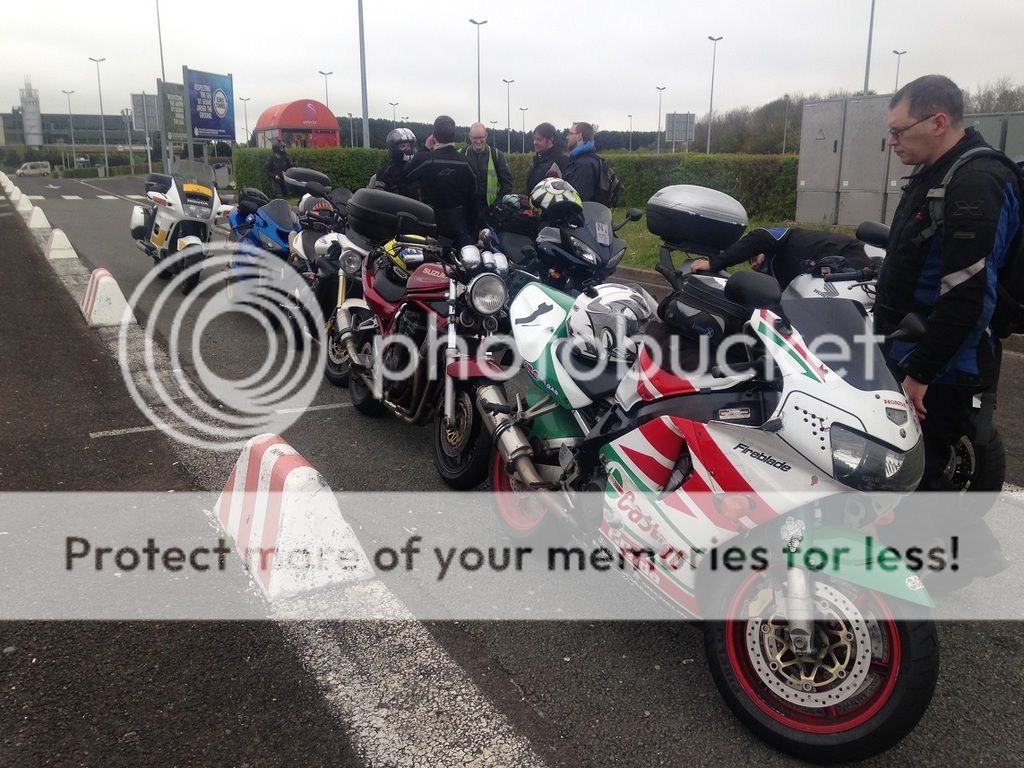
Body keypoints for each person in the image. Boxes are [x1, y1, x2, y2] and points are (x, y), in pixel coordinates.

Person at [875, 74, 1021, 574]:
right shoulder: (937, 172)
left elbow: (969, 294)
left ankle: (924, 583)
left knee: (923, 470)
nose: (892, 141)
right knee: (906, 459)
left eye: (898, 131)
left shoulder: (976, 181)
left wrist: (922, 372)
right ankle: (953, 555)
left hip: (944, 360)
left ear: (938, 122)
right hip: (911, 344)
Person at [691, 227, 871, 289]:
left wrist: (714, 263)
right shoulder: (780, 277)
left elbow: (758, 237)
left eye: (752, 258)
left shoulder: (785, 236)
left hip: (850, 256)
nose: (754, 265)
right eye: (751, 263)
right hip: (827, 276)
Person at [402, 115, 479, 247]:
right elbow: (475, 199)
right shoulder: (467, 164)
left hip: (431, 228)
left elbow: (405, 176)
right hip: (460, 228)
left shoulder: (426, 160)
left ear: (434, 136)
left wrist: (425, 148)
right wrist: (473, 231)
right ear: (454, 136)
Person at [461, 122, 513, 217]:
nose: (478, 141)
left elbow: (507, 185)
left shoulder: (497, 155)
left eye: (481, 137)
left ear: (486, 135)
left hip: (490, 211)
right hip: (465, 211)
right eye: (475, 138)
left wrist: (496, 206)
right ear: (469, 137)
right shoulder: (461, 154)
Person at [370, 127, 420, 199]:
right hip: (391, 206)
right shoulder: (384, 173)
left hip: (416, 206)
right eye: (403, 146)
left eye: (408, 146)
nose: (407, 149)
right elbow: (376, 199)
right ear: (394, 149)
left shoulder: (417, 169)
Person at [526, 122, 569, 194]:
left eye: (539, 139)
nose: (535, 142)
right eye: (534, 139)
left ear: (550, 140)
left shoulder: (561, 162)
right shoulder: (538, 161)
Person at [563, 122, 602, 202]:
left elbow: (578, 200)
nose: (567, 137)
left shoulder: (584, 165)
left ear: (579, 136)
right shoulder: (589, 159)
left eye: (570, 134)